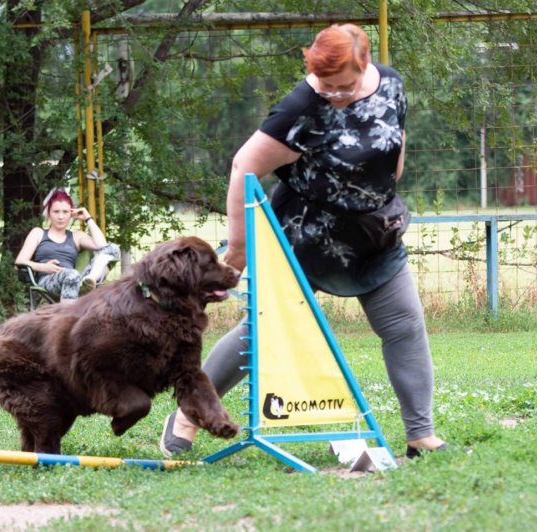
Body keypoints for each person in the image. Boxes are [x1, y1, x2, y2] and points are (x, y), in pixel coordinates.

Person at [160, 23, 448, 459]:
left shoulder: (390, 84)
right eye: (325, 85)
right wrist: (236, 250)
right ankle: (187, 414)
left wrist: (380, 187)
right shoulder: (301, 106)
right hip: (303, 239)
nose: (333, 93)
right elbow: (244, 166)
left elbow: (396, 140)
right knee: (260, 333)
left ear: (365, 63)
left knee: (404, 326)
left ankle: (420, 436)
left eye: (343, 85)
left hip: (372, 233)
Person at [15, 189, 120, 302]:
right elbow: (19, 262)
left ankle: (90, 280)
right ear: (49, 213)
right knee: (72, 274)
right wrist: (43, 267)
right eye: (56, 212)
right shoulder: (38, 233)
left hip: (76, 281)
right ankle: (68, 318)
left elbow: (103, 246)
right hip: (48, 281)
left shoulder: (77, 236)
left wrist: (87, 218)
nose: (61, 217)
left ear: (71, 214)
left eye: (65, 212)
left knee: (113, 248)